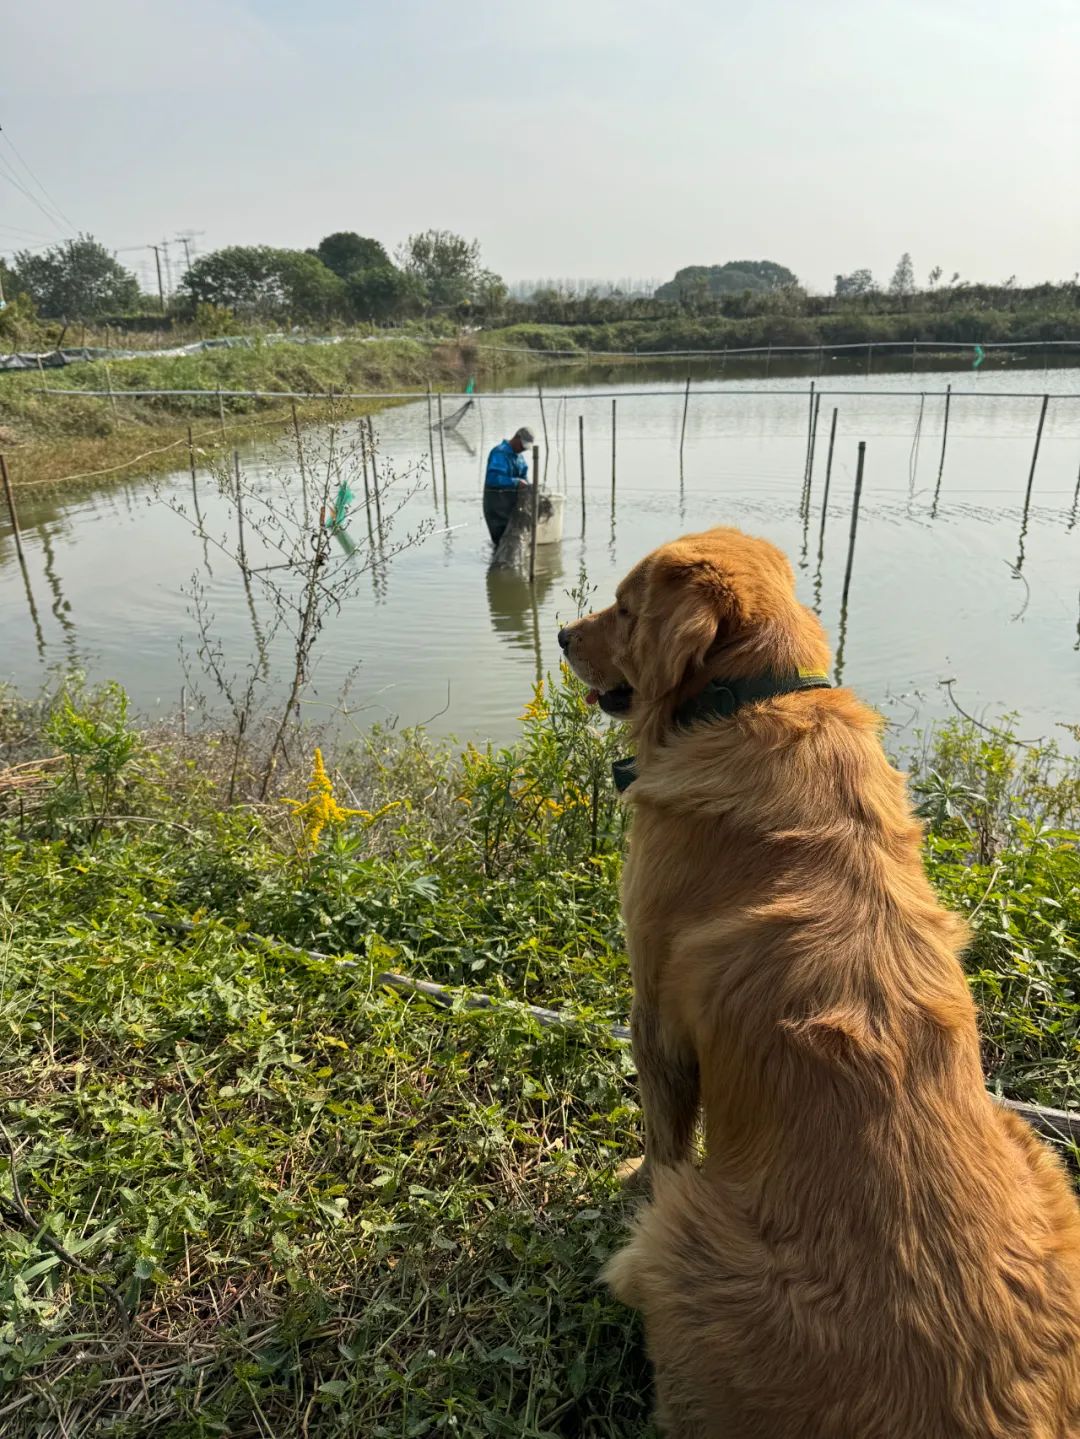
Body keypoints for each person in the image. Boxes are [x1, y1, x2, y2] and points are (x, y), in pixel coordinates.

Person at [483, 426, 534, 545]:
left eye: (525, 447)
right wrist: (516, 482)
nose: (523, 449)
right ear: (516, 438)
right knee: (501, 542)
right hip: (497, 508)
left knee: (515, 541)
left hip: (512, 506)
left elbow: (524, 477)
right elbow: (493, 479)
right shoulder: (499, 453)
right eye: (522, 445)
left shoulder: (520, 458)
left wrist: (527, 485)